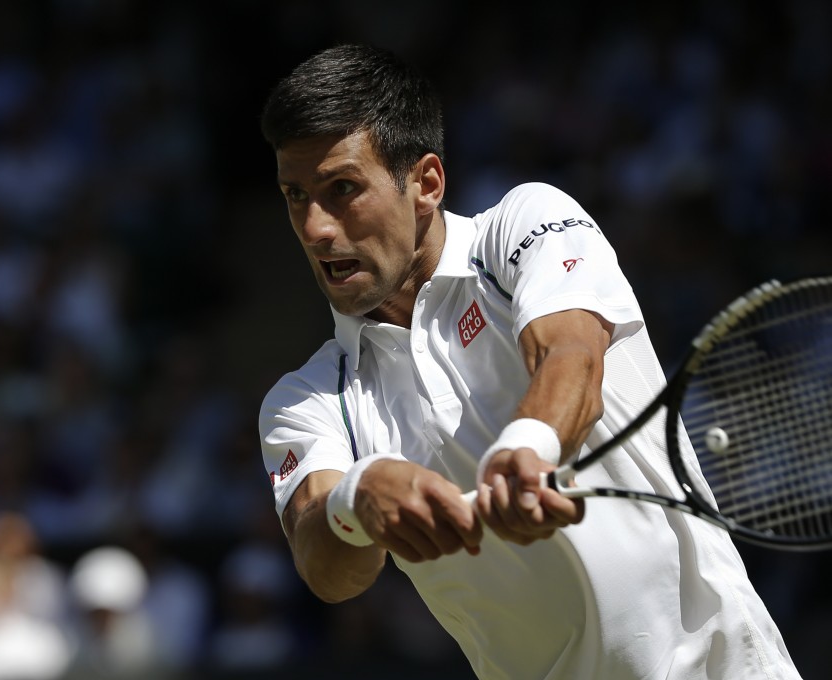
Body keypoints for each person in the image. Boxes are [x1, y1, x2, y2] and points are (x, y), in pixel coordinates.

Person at [256, 43, 802, 680]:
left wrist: (528, 448)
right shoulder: (305, 399)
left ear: (426, 183)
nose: (316, 228)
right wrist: (358, 495)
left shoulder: (523, 224)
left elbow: (571, 353)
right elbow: (324, 563)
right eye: (296, 196)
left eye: (342, 188)